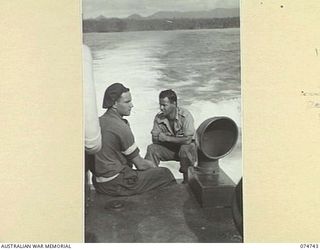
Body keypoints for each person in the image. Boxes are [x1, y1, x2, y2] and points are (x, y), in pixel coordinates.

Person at [92, 83, 176, 196]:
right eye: (127, 102)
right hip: (116, 183)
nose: (131, 105)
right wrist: (153, 167)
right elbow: (140, 165)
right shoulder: (120, 127)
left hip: (98, 182)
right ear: (115, 104)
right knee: (164, 174)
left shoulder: (97, 122)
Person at [145, 89, 197, 183]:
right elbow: (155, 139)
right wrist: (169, 139)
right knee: (152, 149)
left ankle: (187, 181)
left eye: (164, 105)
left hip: (189, 152)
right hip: (172, 150)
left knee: (185, 148)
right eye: (160, 105)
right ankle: (148, 180)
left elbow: (188, 140)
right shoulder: (159, 118)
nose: (161, 108)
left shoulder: (185, 115)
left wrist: (166, 138)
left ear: (174, 103)